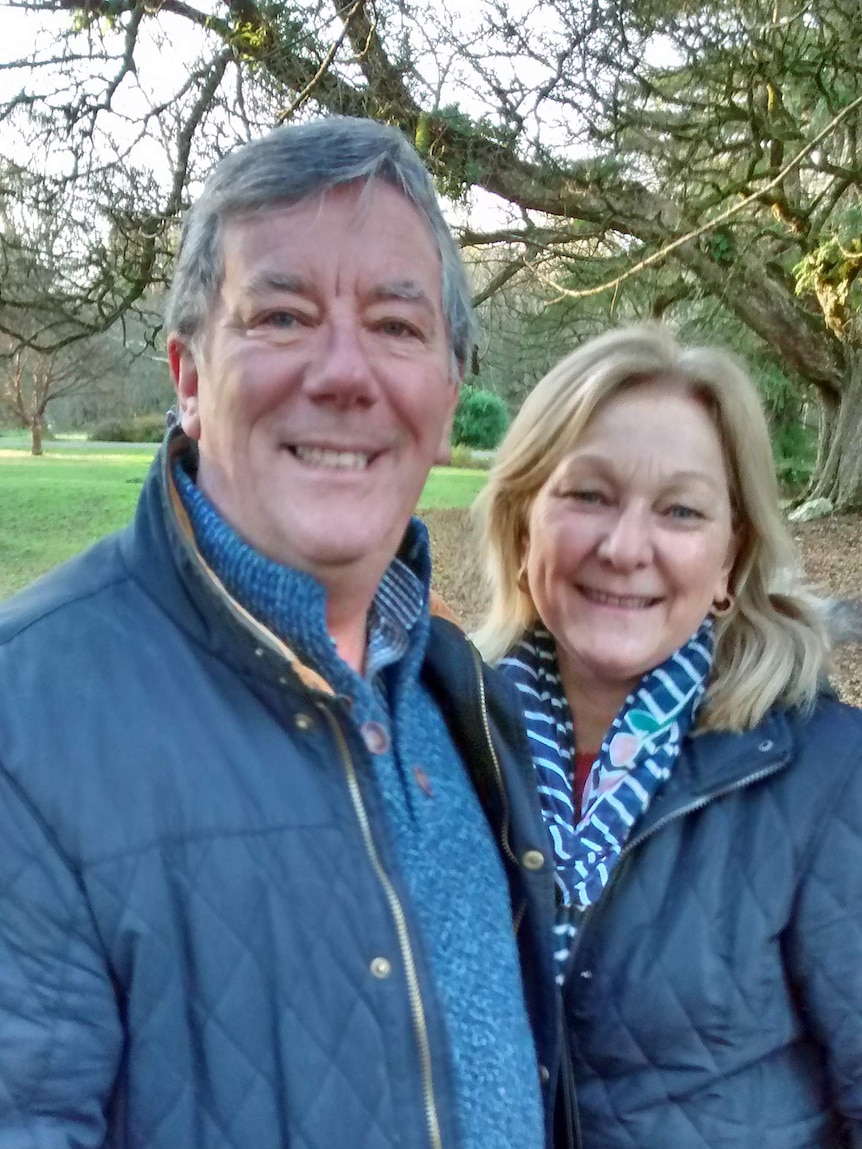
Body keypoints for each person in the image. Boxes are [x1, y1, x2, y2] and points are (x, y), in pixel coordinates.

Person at [0, 118, 562, 1149]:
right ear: (187, 378)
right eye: (282, 315)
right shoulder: (25, 724)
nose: (346, 373)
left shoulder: (461, 698)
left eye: (397, 328)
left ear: (447, 391)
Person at [474, 324, 862, 1149]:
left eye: (681, 510)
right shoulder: (444, 745)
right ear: (521, 525)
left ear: (730, 557)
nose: (625, 548)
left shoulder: (829, 775)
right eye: (588, 495)